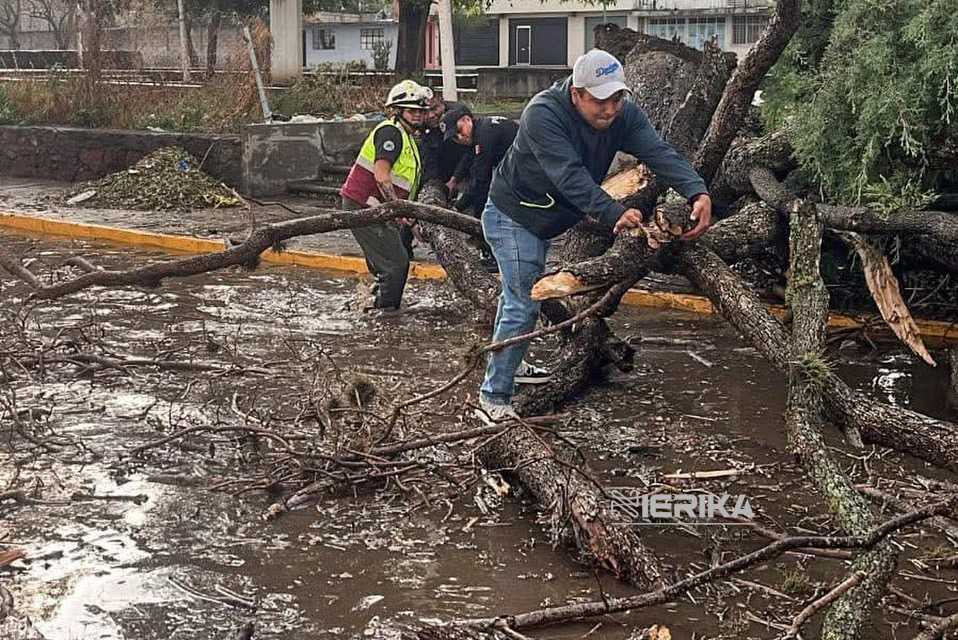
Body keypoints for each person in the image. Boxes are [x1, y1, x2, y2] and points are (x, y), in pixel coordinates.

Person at [476, 49, 713, 424]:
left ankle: (511, 365)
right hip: (512, 217)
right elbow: (569, 176)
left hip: (546, 219)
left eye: (616, 98)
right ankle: (493, 397)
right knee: (523, 302)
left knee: (515, 298)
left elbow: (658, 152)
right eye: (600, 101)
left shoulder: (623, 115)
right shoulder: (544, 114)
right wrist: (614, 213)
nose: (610, 109)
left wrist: (696, 190)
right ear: (576, 94)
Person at [339, 80, 433, 313]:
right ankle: (385, 314)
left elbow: (403, 187)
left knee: (390, 261)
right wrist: (398, 210)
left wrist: (410, 222)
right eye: (411, 110)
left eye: (421, 111)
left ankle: (372, 303)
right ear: (398, 111)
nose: (418, 115)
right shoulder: (391, 133)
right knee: (396, 264)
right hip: (364, 206)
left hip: (379, 209)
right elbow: (382, 177)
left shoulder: (407, 138)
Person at [440, 105, 519, 272]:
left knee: (490, 211)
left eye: (459, 131)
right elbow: (469, 156)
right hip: (516, 168)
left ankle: (497, 256)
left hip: (525, 172)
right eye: (454, 137)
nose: (459, 138)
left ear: (467, 120)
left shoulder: (485, 135)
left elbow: (480, 179)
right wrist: (454, 180)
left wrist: (458, 207)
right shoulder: (481, 129)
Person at [420, 93, 472, 192]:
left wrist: (455, 178)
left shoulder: (459, 113)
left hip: (464, 168)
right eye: (425, 111)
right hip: (441, 168)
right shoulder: (421, 123)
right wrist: (432, 183)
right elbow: (428, 155)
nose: (431, 115)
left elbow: (470, 149)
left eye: (434, 108)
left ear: (441, 100)